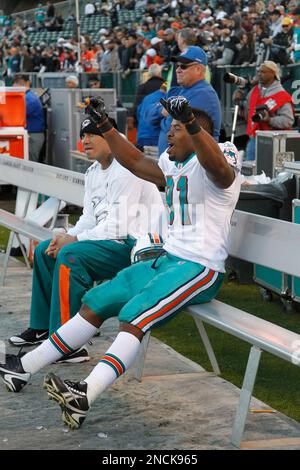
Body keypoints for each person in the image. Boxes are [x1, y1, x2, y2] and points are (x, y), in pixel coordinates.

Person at [0, 96, 241, 430]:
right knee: (98, 300)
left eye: (175, 128)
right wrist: (106, 127)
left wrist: (193, 124)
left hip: (199, 267)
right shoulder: (172, 164)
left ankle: (85, 393)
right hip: (168, 258)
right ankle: (24, 366)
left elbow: (220, 172)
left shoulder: (220, 154)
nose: (167, 134)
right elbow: (135, 161)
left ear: (196, 131)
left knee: (133, 315)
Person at [7, 115, 165, 363]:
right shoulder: (94, 171)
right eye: (83, 135)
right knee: (46, 250)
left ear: (110, 137)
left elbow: (118, 227)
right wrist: (68, 236)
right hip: (108, 242)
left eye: (92, 134)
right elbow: (90, 216)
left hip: (135, 247)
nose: (86, 140)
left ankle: (68, 343)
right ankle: (41, 327)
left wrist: (75, 240)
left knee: (71, 256)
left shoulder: (126, 170)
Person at [144, 46, 221, 155]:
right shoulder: (174, 91)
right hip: (174, 166)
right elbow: (147, 116)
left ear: (198, 69)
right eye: (177, 65)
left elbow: (173, 128)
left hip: (192, 166)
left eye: (183, 66)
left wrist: (162, 120)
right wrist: (162, 110)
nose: (178, 70)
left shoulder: (204, 93)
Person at [233, 61, 294, 161]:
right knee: (250, 171)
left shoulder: (282, 95)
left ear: (273, 74)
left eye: (263, 72)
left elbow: (288, 120)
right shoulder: (255, 90)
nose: (259, 74)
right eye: (258, 72)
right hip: (254, 138)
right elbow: (246, 109)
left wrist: (269, 119)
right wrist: (238, 99)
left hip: (273, 141)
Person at [12, 75, 45, 163]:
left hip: (33, 136)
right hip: (30, 135)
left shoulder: (29, 98)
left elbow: (16, 113)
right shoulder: (26, 96)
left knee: (31, 165)